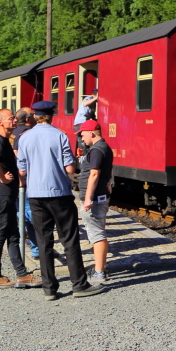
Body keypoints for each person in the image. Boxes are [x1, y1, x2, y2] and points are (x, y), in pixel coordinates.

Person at [16, 100, 105, 301]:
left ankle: (49, 289)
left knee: (43, 241)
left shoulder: (25, 138)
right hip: (59, 194)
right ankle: (79, 284)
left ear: (35, 116)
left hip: (36, 195)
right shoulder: (59, 135)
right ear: (51, 115)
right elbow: (70, 169)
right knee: (69, 240)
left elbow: (21, 169)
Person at [0, 108, 40, 289]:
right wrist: (2, 178)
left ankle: (22, 274)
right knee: (1, 233)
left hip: (6, 193)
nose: (15, 121)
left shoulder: (4, 140)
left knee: (13, 234)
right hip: (2, 194)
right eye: (11, 119)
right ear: (0, 122)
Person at [75, 119, 113, 284]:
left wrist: (88, 198)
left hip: (95, 199)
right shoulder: (102, 147)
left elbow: (94, 174)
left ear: (91, 133)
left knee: (96, 234)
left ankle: (99, 271)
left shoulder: (97, 150)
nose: (82, 139)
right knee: (98, 233)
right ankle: (100, 267)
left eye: (82, 135)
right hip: (100, 196)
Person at [10, 107, 42, 262]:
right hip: (25, 179)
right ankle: (37, 248)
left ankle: (33, 246)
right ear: (28, 119)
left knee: (21, 209)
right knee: (29, 213)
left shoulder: (11, 133)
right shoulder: (29, 134)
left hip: (10, 179)